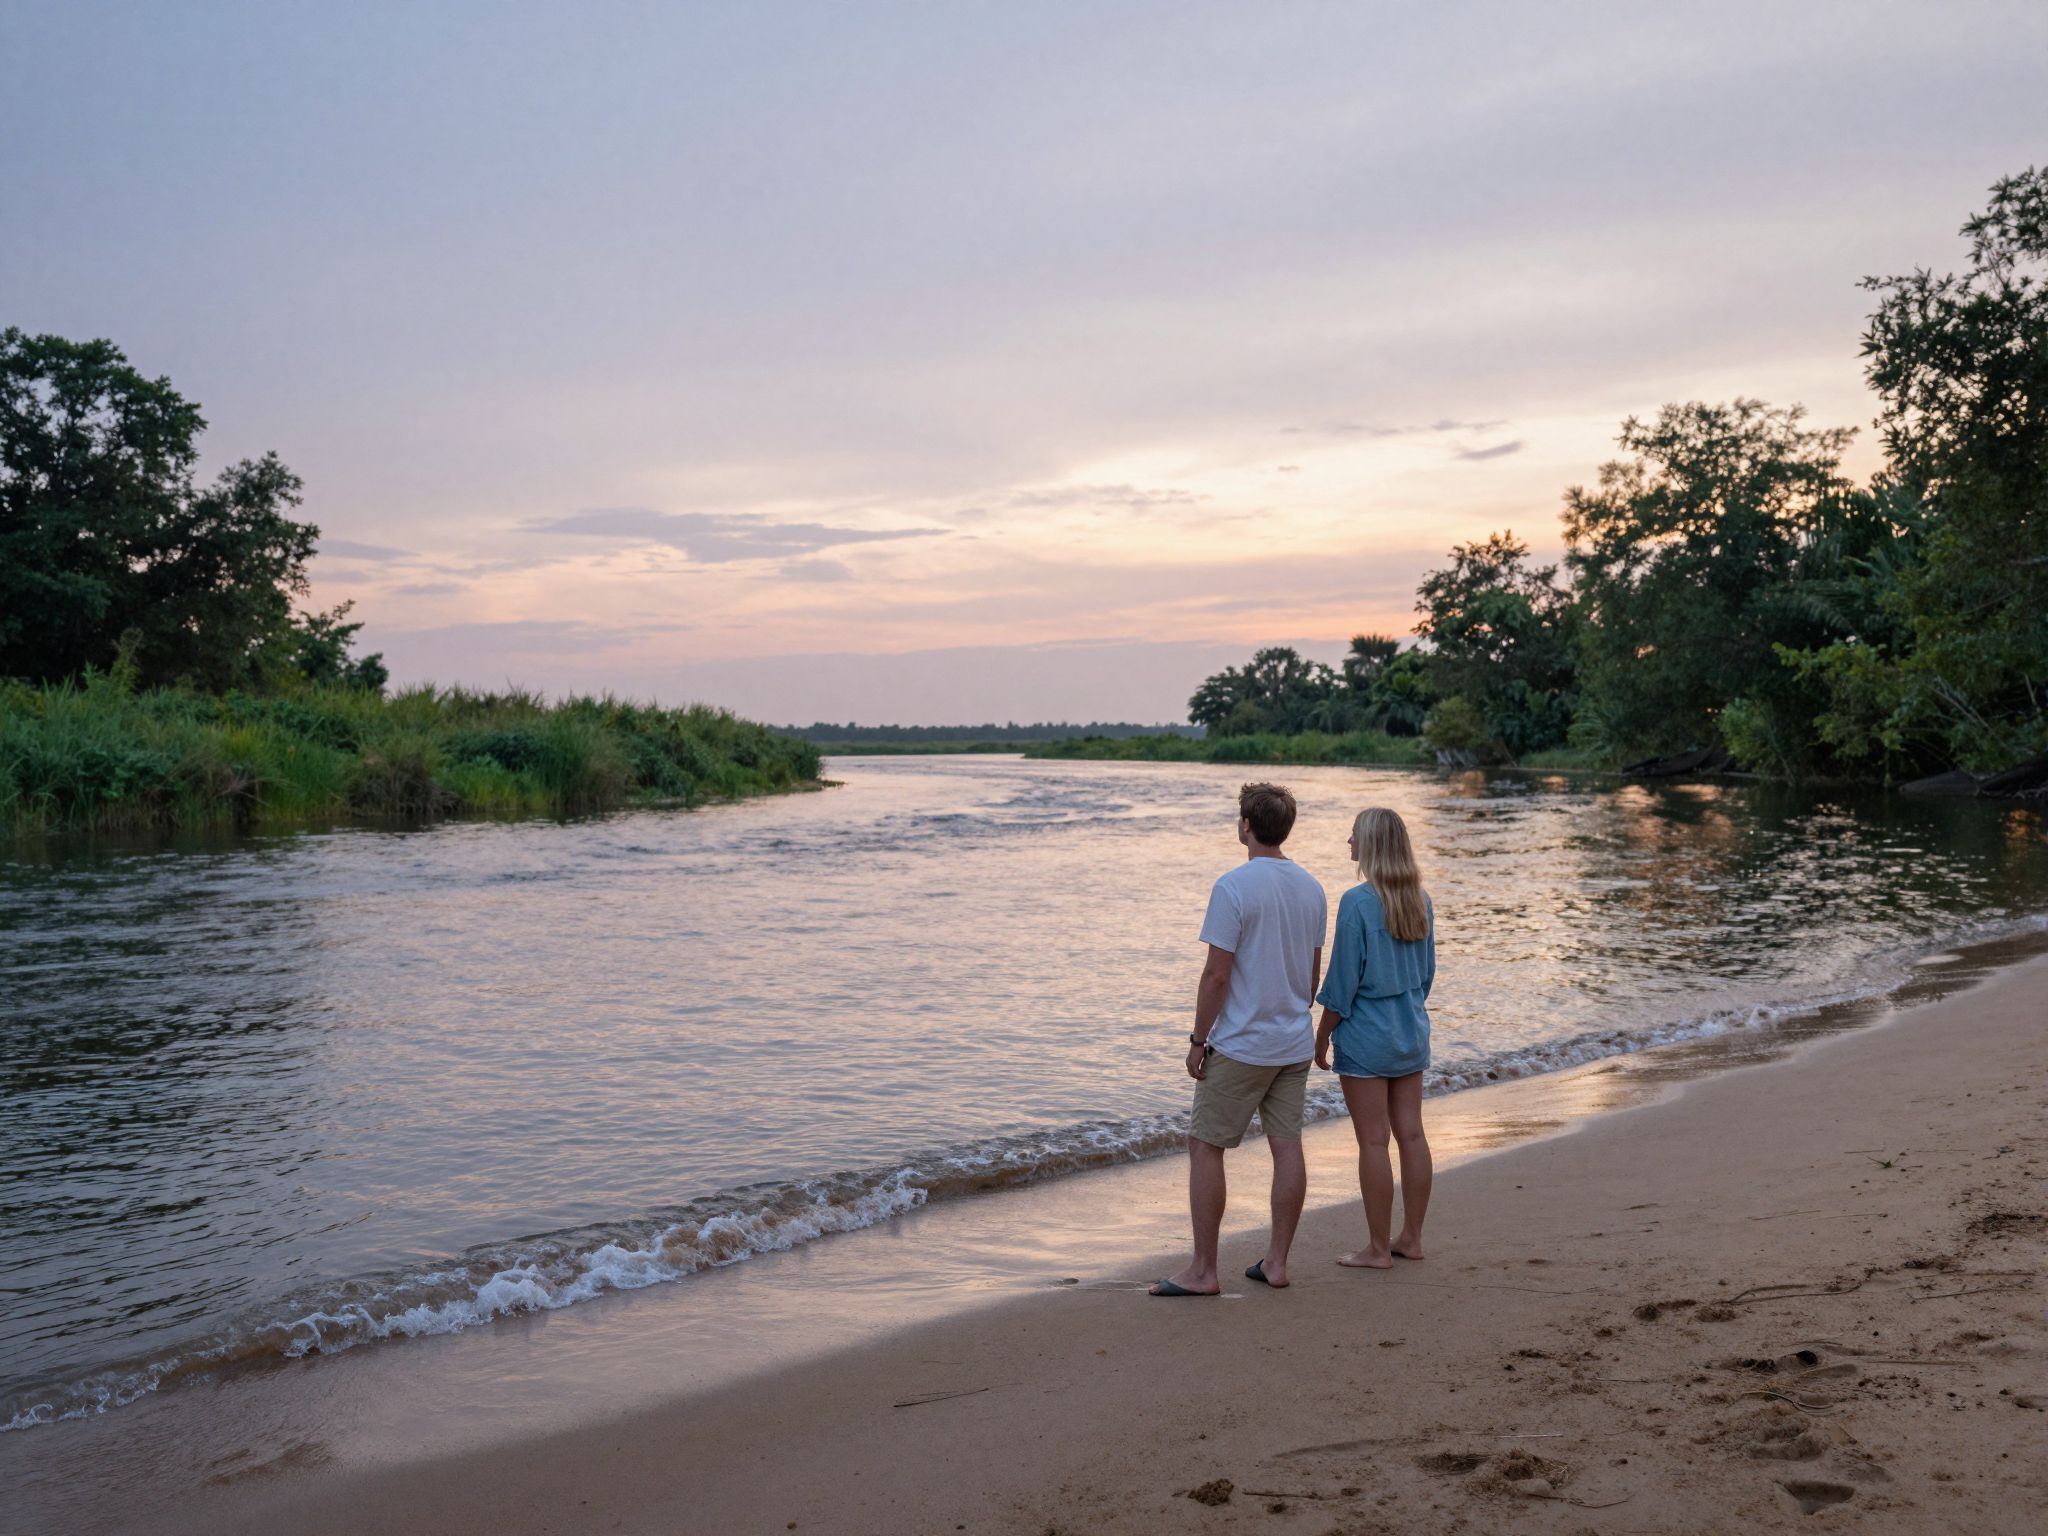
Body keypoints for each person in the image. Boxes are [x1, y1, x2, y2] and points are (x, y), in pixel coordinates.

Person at [1151, 783, 1327, 1296]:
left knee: (1205, 1146)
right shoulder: (1312, 888)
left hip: (1244, 1044)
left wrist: (1197, 1039)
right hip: (1293, 1042)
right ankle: (1277, 1263)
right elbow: (1310, 980)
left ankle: (1204, 1271)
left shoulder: (1232, 887)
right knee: (1286, 1146)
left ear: (1247, 825)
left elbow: (1216, 976)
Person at [1313, 806, 1435, 1269]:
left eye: (1354, 835)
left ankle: (1379, 1249)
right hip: (1411, 1031)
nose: (1349, 842)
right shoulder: (1420, 899)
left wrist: (1321, 1036)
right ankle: (1412, 1239)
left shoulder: (1358, 902)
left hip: (1367, 1036)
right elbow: (1426, 975)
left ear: (1372, 844)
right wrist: (1406, 1009)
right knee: (1412, 1134)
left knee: (1373, 1142)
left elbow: (1342, 984)